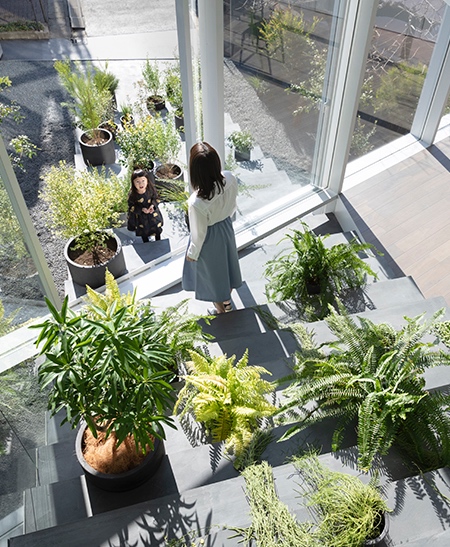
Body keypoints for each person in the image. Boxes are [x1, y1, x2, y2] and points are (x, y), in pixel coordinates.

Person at [182, 141, 242, 314]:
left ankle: (222, 312)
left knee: (213, 278)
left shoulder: (197, 202)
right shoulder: (230, 178)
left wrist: (192, 254)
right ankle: (227, 302)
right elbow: (232, 207)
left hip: (209, 240)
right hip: (225, 228)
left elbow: (199, 233)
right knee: (228, 268)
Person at [127, 168, 163, 243]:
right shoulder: (133, 194)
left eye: (143, 181)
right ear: (133, 183)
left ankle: (158, 239)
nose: (141, 184)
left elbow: (157, 198)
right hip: (141, 217)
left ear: (147, 180)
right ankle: (146, 243)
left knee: (156, 227)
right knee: (144, 231)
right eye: (137, 182)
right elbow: (131, 206)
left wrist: (152, 205)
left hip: (152, 213)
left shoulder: (150, 189)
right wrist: (141, 209)